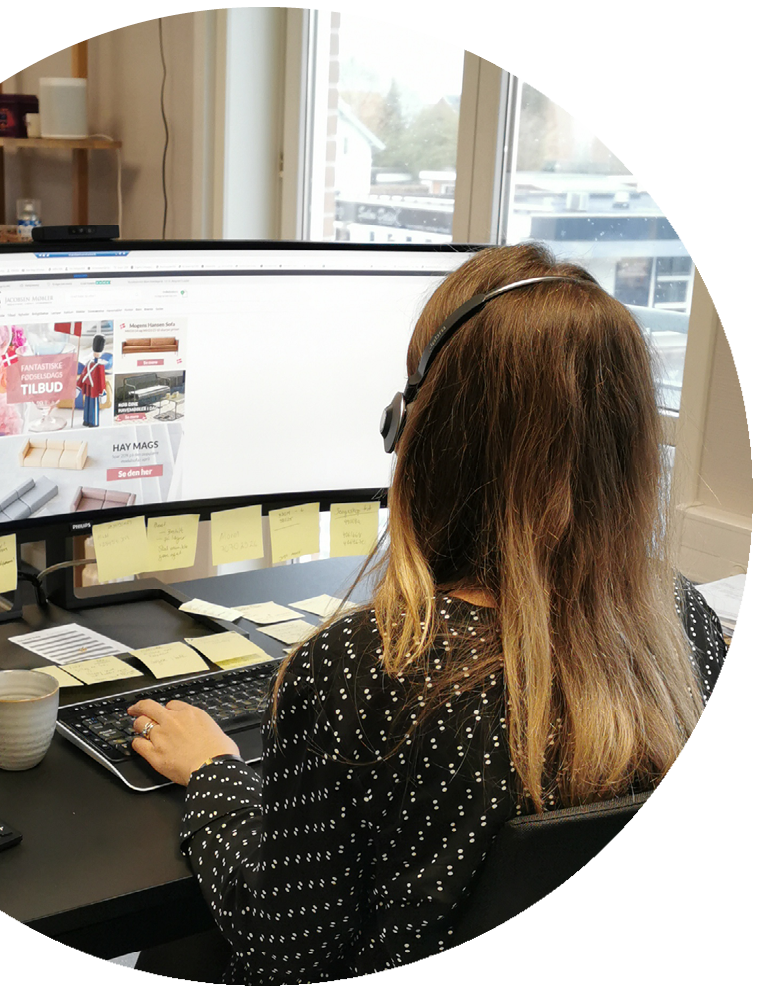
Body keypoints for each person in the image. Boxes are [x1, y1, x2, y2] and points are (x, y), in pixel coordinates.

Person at [126, 243, 727, 984]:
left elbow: (280, 946)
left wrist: (216, 775)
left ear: (419, 428)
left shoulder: (370, 666)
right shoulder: (684, 626)